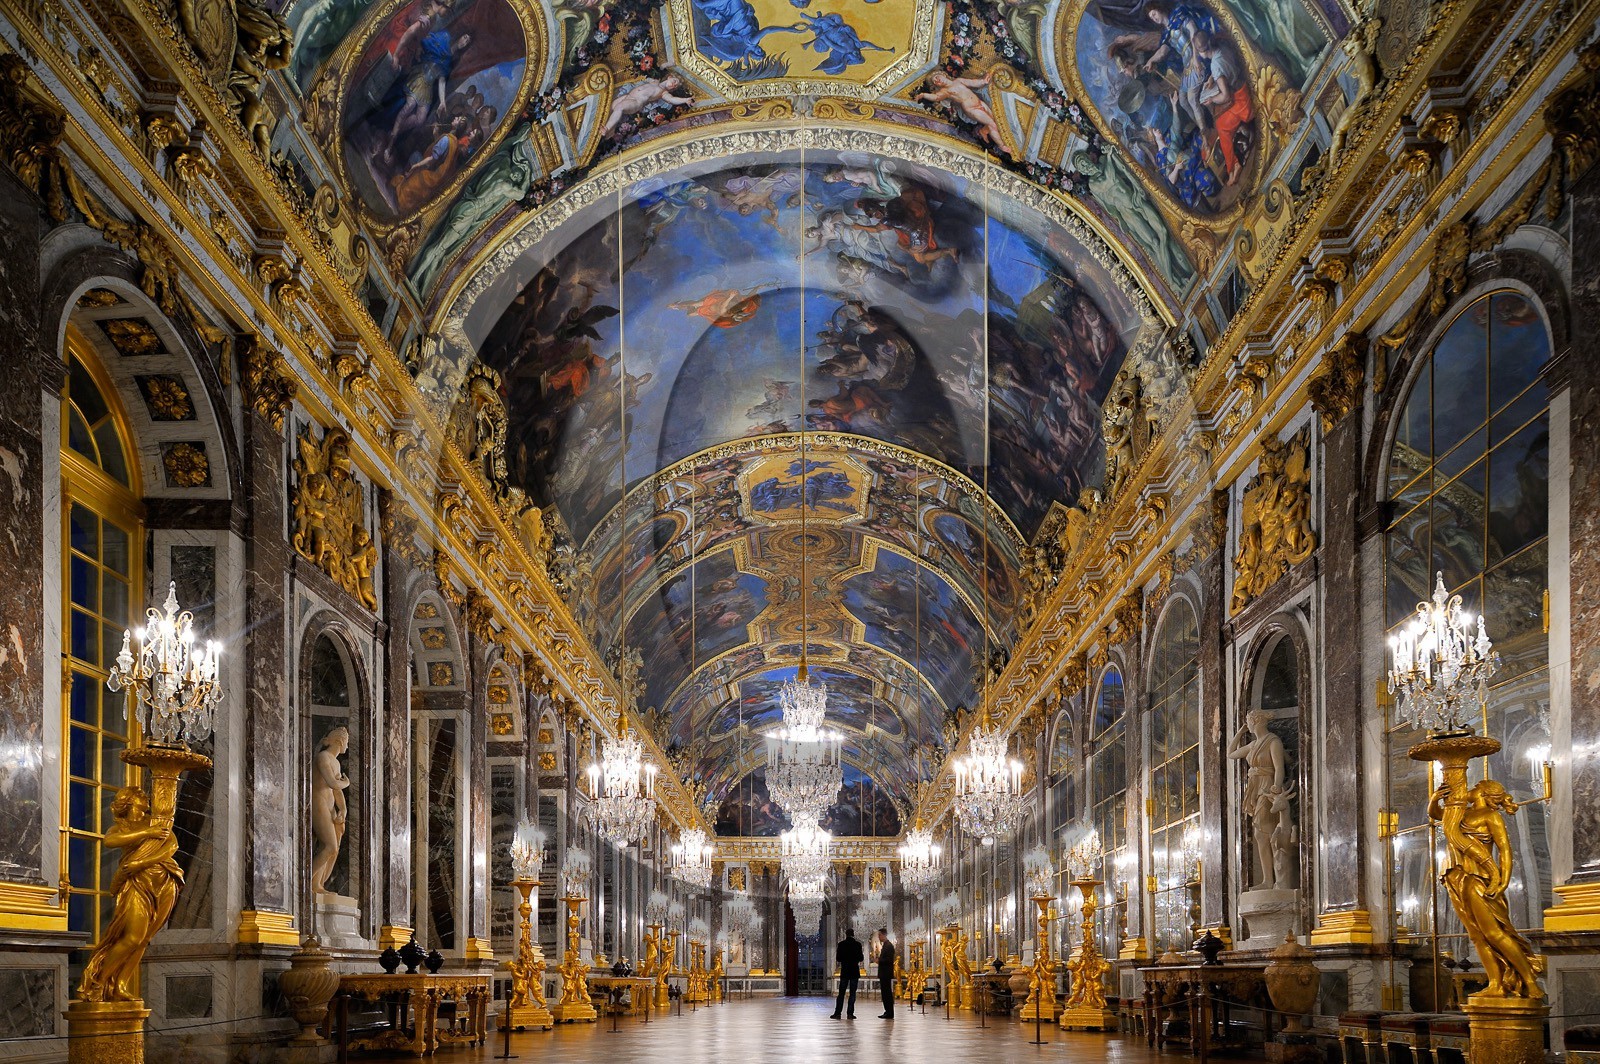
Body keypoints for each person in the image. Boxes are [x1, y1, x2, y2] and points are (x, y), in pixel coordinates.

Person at [831, 927, 864, 1019]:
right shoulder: (858, 944)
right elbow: (861, 958)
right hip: (854, 971)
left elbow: (838, 958)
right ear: (853, 934)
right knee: (852, 994)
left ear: (846, 934)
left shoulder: (841, 944)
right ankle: (850, 1014)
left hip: (845, 971)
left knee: (841, 993)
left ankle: (837, 1013)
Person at [876, 928, 897, 1019]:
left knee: (887, 993)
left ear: (884, 935)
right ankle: (887, 1011)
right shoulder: (885, 945)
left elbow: (889, 960)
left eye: (879, 935)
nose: (879, 937)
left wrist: (879, 961)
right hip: (884, 973)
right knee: (885, 993)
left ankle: (889, 1012)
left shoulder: (889, 946)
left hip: (886, 973)